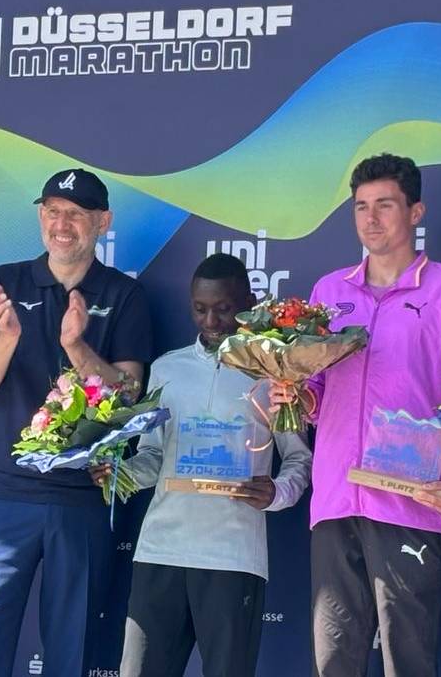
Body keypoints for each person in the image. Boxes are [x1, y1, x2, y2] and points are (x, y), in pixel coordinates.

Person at [274, 153, 441, 677]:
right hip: (334, 498)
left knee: (409, 660)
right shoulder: (328, 292)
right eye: (361, 207)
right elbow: (317, 394)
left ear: (416, 212)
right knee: (335, 659)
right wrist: (293, 396)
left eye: (385, 205)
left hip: (410, 500)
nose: (371, 218)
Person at [0, 168, 155, 677]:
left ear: (102, 222)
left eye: (76, 214)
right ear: (40, 216)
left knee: (73, 654)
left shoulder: (123, 294)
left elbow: (128, 393)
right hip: (4, 496)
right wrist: (7, 337)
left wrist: (76, 346)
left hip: (80, 501)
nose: (61, 225)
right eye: (52, 211)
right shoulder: (4, 281)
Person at [110, 253, 311, 677]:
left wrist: (277, 493)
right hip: (160, 552)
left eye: (224, 308)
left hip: (232, 557)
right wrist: (120, 475)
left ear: (249, 302)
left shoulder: (273, 372)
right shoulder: (167, 368)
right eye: (201, 309)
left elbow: (298, 458)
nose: (212, 320)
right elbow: (152, 455)